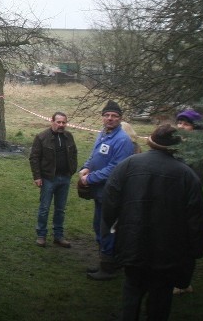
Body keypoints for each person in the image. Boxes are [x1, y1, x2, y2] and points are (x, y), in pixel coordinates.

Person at [102, 124, 203, 320]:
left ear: (151, 142)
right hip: (168, 250)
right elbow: (197, 218)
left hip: (133, 245)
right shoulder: (187, 175)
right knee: (161, 299)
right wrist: (196, 250)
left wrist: (109, 229)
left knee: (132, 293)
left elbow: (109, 202)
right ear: (175, 148)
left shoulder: (128, 165)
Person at [79, 100, 136, 281]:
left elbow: (115, 168)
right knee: (99, 226)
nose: (110, 119)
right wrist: (86, 167)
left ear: (120, 119)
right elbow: (94, 154)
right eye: (107, 115)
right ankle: (104, 260)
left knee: (108, 229)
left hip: (112, 193)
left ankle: (109, 267)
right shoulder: (104, 133)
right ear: (102, 117)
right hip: (100, 192)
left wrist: (90, 178)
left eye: (114, 116)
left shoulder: (122, 140)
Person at [172, 109, 203, 295]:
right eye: (179, 123)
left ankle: (183, 283)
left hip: (188, 203)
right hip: (173, 200)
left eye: (185, 124)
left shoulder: (199, 150)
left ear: (194, 127)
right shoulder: (178, 143)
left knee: (185, 242)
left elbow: (197, 179)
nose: (181, 126)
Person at [29, 111, 78, 248]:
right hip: (48, 178)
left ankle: (58, 236)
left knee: (60, 209)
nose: (61, 125)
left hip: (65, 178)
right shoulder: (41, 137)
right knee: (44, 208)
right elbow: (34, 158)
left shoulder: (69, 136)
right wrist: (37, 177)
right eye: (58, 122)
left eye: (64, 122)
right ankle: (41, 235)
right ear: (52, 122)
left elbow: (74, 153)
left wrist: (72, 170)